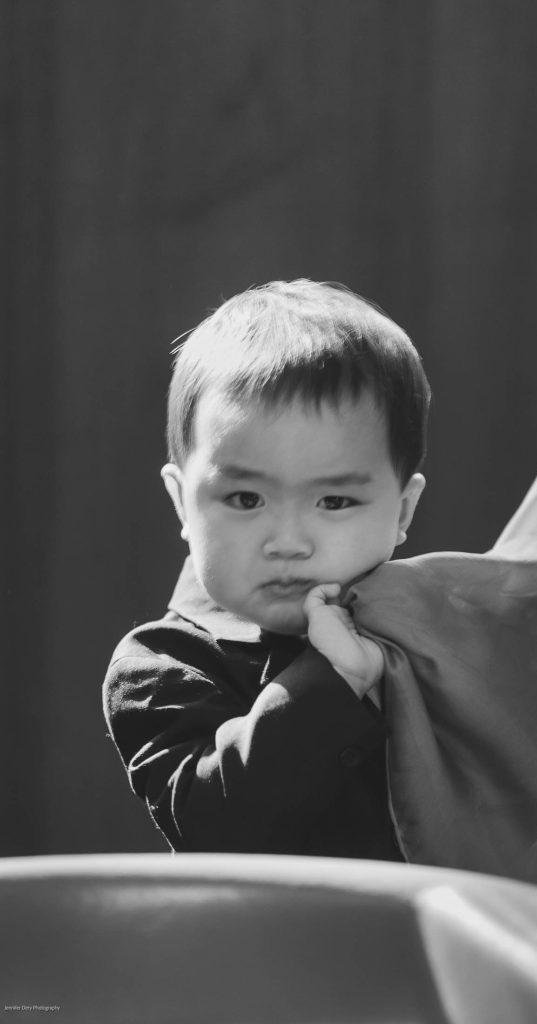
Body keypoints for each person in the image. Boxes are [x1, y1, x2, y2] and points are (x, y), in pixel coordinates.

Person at [103, 279, 430, 859]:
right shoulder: (161, 666)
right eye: (246, 499)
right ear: (183, 504)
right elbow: (218, 827)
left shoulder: (432, 635)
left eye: (333, 502)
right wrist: (333, 681)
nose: (287, 542)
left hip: (434, 942)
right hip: (267, 947)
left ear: (402, 509)